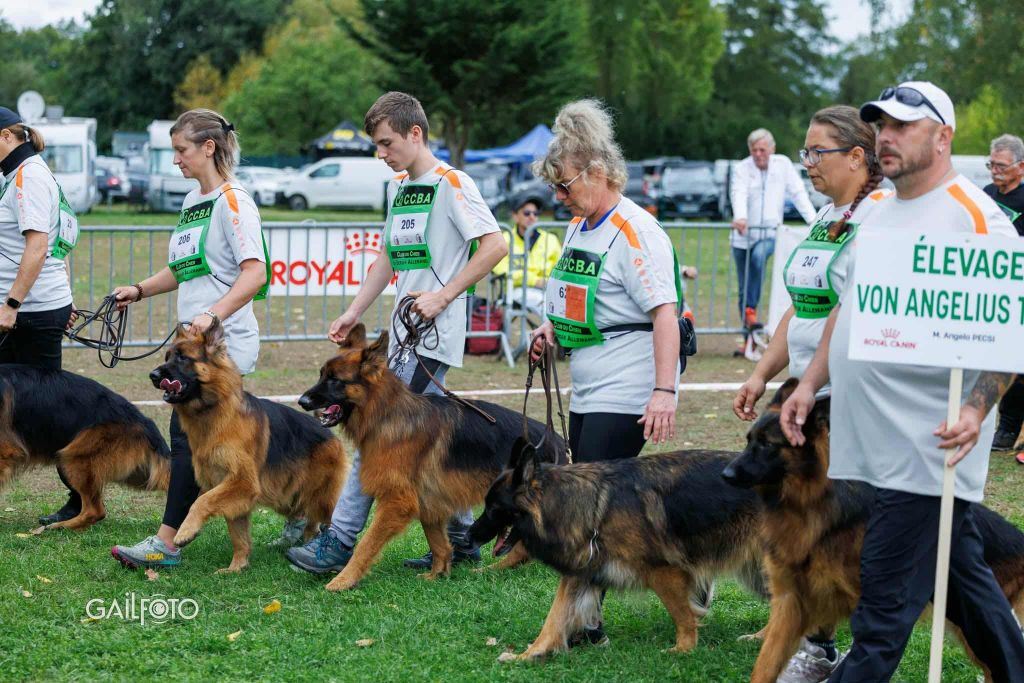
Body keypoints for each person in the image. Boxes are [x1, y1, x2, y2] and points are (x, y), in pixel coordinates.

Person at [779, 82, 1024, 682]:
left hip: (929, 448)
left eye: (902, 127)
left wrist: (974, 411)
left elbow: (1010, 328)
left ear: (943, 137)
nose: (886, 137)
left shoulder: (977, 219)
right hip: (876, 445)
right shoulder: (881, 210)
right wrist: (810, 383)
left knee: (881, 613)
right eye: (881, 125)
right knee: (964, 576)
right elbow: (850, 307)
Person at [286, 92, 507, 575]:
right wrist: (353, 313)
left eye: (386, 143)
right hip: (403, 333)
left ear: (415, 134)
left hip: (432, 337)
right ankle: (462, 537)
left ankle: (338, 543)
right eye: (376, 145)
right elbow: (387, 259)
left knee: (382, 443)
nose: (380, 154)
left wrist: (444, 295)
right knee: (409, 443)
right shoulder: (404, 187)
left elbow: (496, 245)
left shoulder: (453, 184)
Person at [733, 105, 890, 682]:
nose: (806, 163)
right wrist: (761, 374)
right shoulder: (827, 216)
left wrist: (811, 384)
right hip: (807, 393)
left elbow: (848, 315)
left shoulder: (879, 219)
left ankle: (865, 643)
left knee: (849, 530)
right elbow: (802, 307)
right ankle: (818, 641)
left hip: (850, 395)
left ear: (856, 156)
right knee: (807, 520)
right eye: (803, 152)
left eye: (815, 152)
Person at [530, 99, 681, 646]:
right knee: (593, 497)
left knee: (588, 503)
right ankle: (681, 582)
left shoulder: (636, 232)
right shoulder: (579, 226)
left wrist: (663, 391)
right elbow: (568, 295)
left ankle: (585, 621)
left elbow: (665, 313)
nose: (559, 196)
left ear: (597, 172)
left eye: (565, 185)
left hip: (629, 378)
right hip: (589, 376)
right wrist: (550, 328)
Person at [109, 109, 269, 568]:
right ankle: (296, 509)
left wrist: (211, 315)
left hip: (223, 348)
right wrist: (139, 290)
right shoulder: (191, 201)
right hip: (192, 345)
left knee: (191, 443)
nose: (176, 159)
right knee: (212, 445)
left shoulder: (234, 201)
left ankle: (167, 543)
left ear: (208, 148)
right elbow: (184, 268)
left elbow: (254, 273)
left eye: (181, 150)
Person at [0, 106, 81, 526]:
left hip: (27, 312)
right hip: (36, 306)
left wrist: (11, 305)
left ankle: (82, 498)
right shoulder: (20, 174)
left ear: (6, 137)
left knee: (48, 412)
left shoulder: (28, 176)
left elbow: (38, 246)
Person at [729, 128, 815, 347]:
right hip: (742, 235)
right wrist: (740, 217)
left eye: (762, 150)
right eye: (754, 150)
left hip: (769, 233)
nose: (758, 154)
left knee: (758, 258)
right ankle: (749, 335)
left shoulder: (783, 164)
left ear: (772, 149)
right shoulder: (742, 168)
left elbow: (797, 192)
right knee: (743, 286)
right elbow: (738, 192)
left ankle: (751, 313)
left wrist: (814, 221)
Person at [982, 134, 1024, 453]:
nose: (994, 171)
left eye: (1000, 166)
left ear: (1020, 166)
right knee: (996, 357)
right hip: (992, 290)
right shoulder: (984, 196)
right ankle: (999, 426)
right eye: (991, 164)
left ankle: (1010, 428)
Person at [490, 193, 560, 317]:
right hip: (517, 290)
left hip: (549, 290)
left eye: (536, 213)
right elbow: (502, 269)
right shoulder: (505, 240)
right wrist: (534, 281)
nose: (532, 217)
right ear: (515, 216)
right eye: (527, 213)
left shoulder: (550, 240)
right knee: (548, 308)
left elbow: (560, 270)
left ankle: (541, 336)